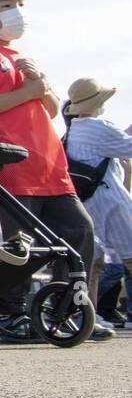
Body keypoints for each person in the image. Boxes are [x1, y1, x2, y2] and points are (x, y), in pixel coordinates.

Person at [0, 0, 111, 343]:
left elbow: (53, 109)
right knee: (15, 248)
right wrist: (31, 89)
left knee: (79, 233)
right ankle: (10, 318)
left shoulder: (24, 58)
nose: (17, 12)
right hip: (9, 172)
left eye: (19, 4)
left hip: (52, 171)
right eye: (7, 5)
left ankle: (68, 309)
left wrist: (42, 85)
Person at [62, 78, 132, 327]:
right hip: (111, 202)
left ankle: (88, 315)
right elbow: (127, 147)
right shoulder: (99, 125)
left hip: (88, 204)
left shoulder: (74, 131)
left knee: (93, 264)